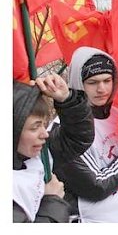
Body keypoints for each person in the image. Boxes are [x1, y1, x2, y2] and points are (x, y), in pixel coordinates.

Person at [56, 47, 118, 222]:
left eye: (107, 80)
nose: (102, 89)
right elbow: (95, 186)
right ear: (79, 83)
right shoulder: (63, 129)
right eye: (93, 82)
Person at [13, 75, 94, 223]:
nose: (44, 134)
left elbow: (77, 139)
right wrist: (53, 202)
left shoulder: (35, 155)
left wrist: (67, 100)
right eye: (35, 127)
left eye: (44, 124)